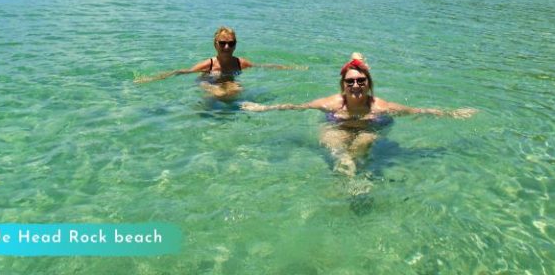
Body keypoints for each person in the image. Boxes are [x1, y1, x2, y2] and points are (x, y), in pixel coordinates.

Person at [241, 53, 477, 175]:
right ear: (343, 85)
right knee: (336, 147)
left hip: (369, 126)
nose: (355, 85)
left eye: (360, 80)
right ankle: (346, 170)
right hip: (338, 125)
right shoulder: (332, 103)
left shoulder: (380, 107)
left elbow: (417, 110)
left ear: (368, 83)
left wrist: (452, 114)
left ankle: (357, 176)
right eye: (350, 81)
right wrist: (263, 108)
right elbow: (297, 106)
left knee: (363, 144)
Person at [134, 26, 302, 100]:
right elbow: (180, 72)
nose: (226, 47)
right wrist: (151, 79)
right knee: (220, 94)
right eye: (222, 43)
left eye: (231, 43)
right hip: (208, 81)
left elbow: (263, 66)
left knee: (236, 90)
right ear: (215, 44)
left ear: (236, 44)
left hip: (228, 81)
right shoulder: (209, 64)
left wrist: (292, 68)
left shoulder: (240, 63)